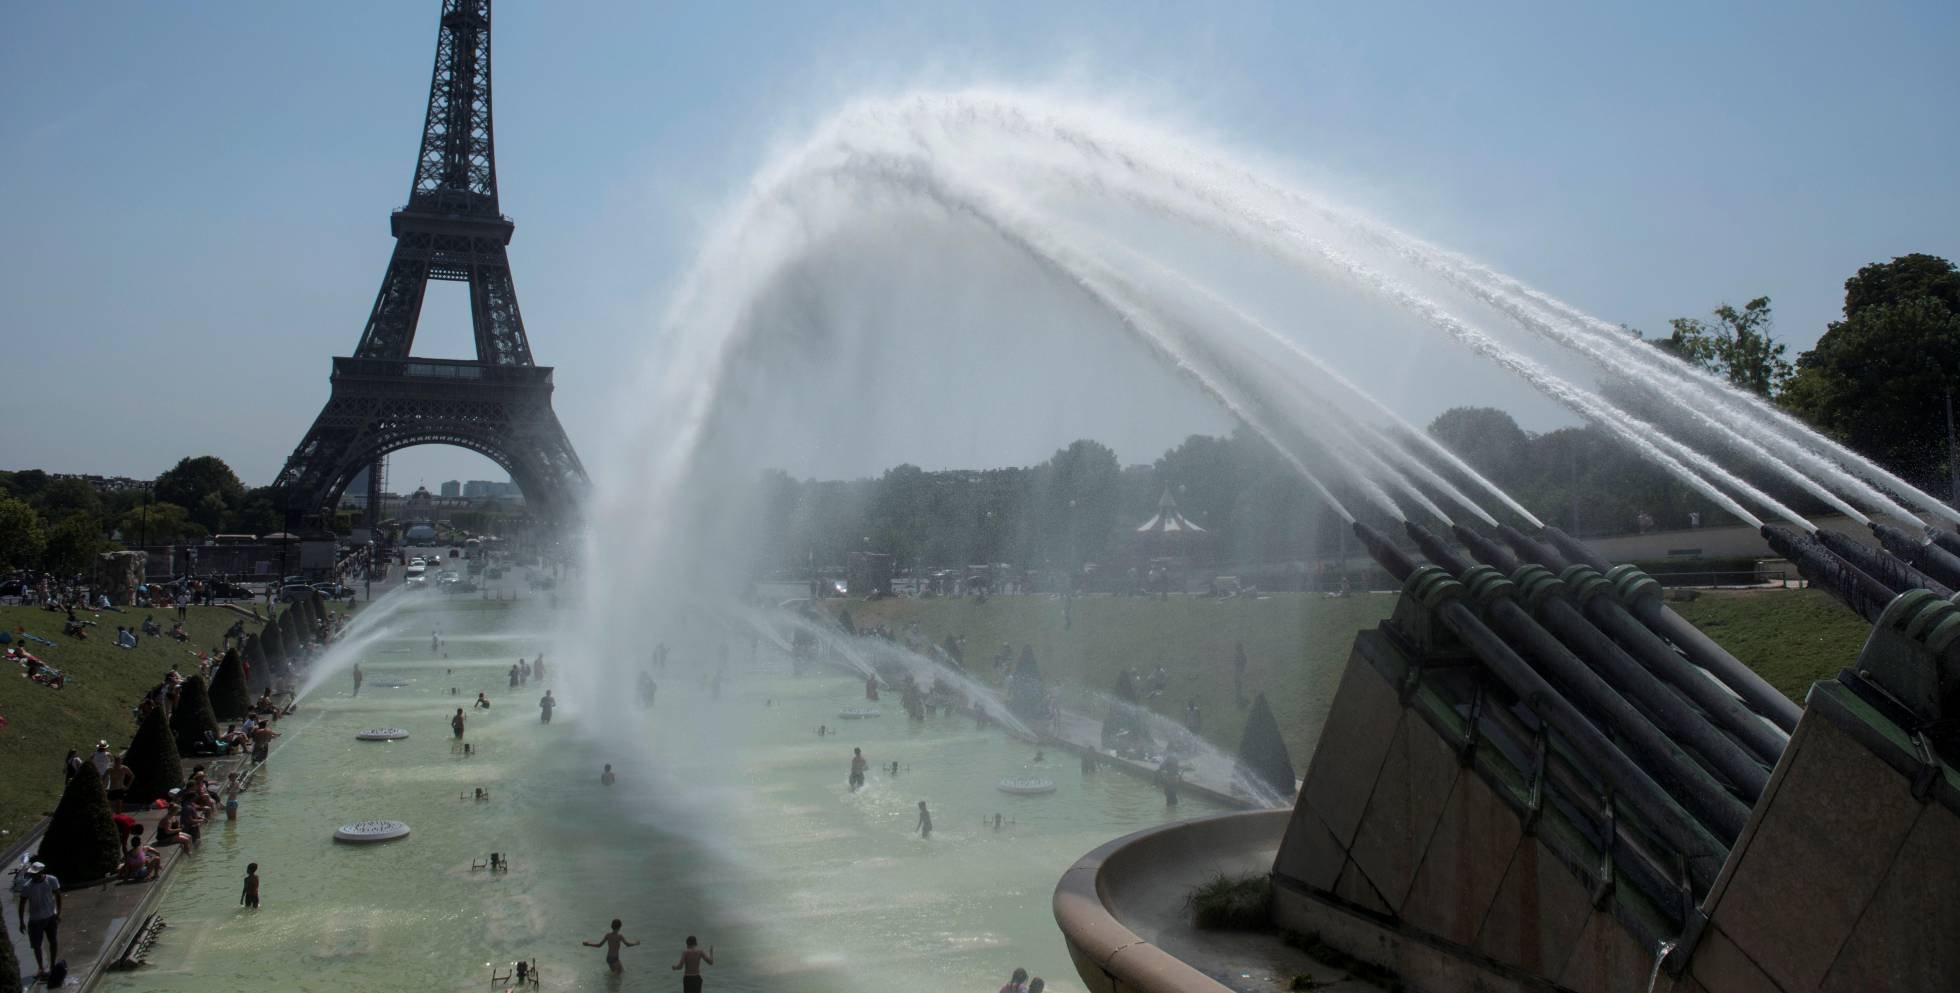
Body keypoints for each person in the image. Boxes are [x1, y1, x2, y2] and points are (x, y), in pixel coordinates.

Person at [17, 860, 61, 978]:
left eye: (36, 873)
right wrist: (21, 921)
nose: (33, 875)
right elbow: (22, 903)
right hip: (35, 920)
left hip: (50, 916)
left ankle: (52, 965)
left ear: (42, 872)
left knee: (53, 941)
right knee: (36, 945)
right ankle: (41, 967)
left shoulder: (51, 880)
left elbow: (58, 895)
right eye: (32, 874)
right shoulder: (27, 887)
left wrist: (58, 913)